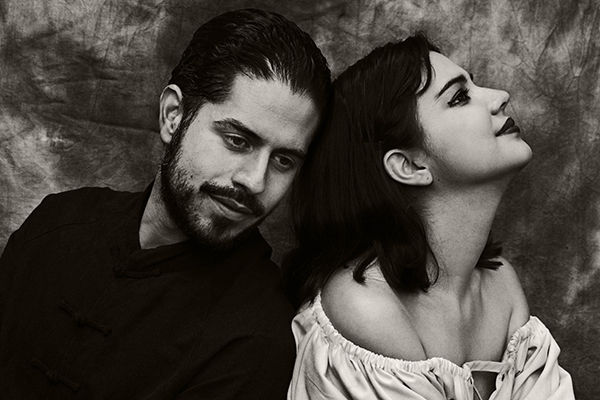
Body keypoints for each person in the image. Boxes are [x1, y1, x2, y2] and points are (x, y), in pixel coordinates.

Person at [0, 8, 331, 399]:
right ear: (174, 116)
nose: (256, 182)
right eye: (238, 141)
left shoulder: (254, 339)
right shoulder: (57, 224)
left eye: (284, 161)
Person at [285, 34, 574, 400]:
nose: (500, 96)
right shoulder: (365, 305)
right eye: (459, 97)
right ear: (409, 165)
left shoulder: (500, 284)